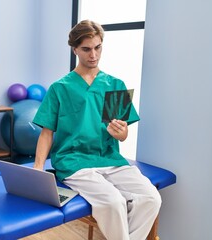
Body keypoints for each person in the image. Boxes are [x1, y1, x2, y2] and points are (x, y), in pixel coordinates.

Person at [32, 20, 161, 240]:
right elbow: (47, 132)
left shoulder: (113, 84)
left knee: (151, 198)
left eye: (97, 47)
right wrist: (37, 168)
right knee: (113, 202)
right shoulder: (60, 88)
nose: (93, 54)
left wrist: (120, 133)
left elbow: (122, 134)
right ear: (75, 49)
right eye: (86, 49)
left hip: (108, 158)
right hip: (74, 161)